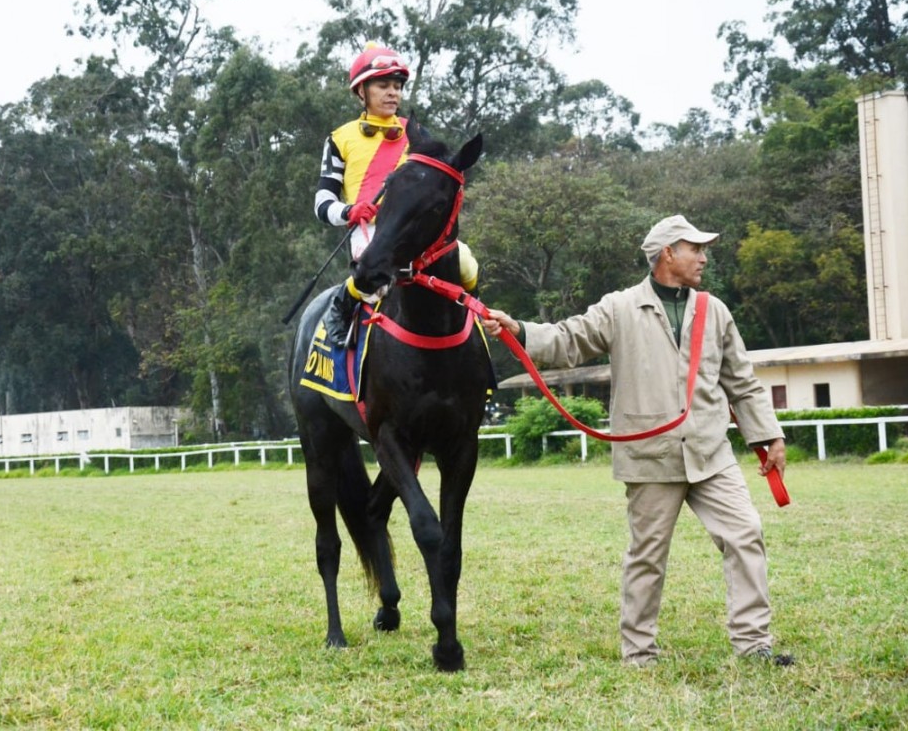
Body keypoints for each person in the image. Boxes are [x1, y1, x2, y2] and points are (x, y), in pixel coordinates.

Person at [481, 214, 794, 667]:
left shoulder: (714, 310)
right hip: (649, 454)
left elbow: (741, 382)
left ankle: (753, 644)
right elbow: (569, 340)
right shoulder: (620, 307)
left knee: (746, 533)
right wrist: (520, 329)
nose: (704, 257)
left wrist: (768, 436)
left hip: (710, 451)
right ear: (668, 254)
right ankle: (639, 652)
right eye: (695, 249)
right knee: (647, 556)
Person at [314, 42, 478, 347]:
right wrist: (350, 211)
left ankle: (477, 327)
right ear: (361, 91)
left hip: (415, 230)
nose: (393, 93)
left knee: (467, 265)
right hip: (372, 228)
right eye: (383, 85)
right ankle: (341, 305)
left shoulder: (417, 132)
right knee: (375, 280)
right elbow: (322, 201)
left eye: (397, 86)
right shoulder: (339, 138)